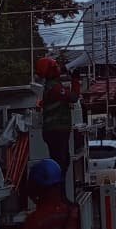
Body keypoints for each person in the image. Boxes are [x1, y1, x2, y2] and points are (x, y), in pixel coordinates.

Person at [36, 54, 80, 187]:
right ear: (50, 71)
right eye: (55, 67)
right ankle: (58, 194)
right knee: (60, 163)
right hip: (57, 131)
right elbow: (73, 97)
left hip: (54, 131)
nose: (58, 69)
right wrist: (75, 80)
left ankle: (60, 194)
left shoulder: (51, 87)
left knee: (63, 161)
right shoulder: (55, 88)